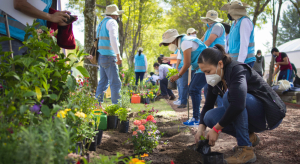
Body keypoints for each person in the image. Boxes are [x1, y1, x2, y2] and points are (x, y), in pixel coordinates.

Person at [195, 44, 285, 164]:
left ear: (220, 64)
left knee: (230, 96)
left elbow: (238, 104)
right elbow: (208, 105)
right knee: (208, 117)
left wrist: (216, 130)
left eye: (208, 71)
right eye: (204, 72)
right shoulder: (216, 80)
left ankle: (245, 149)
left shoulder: (236, 69)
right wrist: (201, 128)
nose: (207, 76)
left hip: (268, 114)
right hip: (250, 113)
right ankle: (249, 138)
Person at [159, 29, 207, 125]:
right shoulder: (181, 44)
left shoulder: (185, 42)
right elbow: (181, 59)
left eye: (167, 43)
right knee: (193, 90)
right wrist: (176, 72)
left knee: (194, 90)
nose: (168, 45)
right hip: (199, 67)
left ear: (172, 40)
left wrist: (178, 75)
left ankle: (197, 119)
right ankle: (197, 118)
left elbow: (187, 63)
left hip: (206, 65)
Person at [0, 0, 76, 56]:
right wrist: (50, 17)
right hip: (9, 37)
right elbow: (19, 3)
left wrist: (59, 20)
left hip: (32, 44)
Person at [95, 4, 123, 104]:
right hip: (109, 57)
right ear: (114, 15)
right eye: (117, 15)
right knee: (115, 83)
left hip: (101, 56)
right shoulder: (112, 22)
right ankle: (117, 108)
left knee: (103, 82)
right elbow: (113, 39)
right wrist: (118, 56)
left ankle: (97, 105)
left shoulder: (101, 23)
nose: (118, 17)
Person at [200, 10, 225, 107]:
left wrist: (199, 51)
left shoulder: (217, 26)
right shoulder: (209, 28)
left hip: (216, 58)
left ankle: (221, 110)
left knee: (215, 87)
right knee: (209, 87)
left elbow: (209, 41)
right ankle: (214, 110)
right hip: (211, 58)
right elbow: (202, 40)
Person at [221, 0, 256, 68]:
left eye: (230, 10)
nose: (228, 13)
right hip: (235, 61)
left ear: (235, 10)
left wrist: (239, 64)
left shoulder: (244, 21)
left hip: (245, 61)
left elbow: (244, 44)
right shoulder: (235, 24)